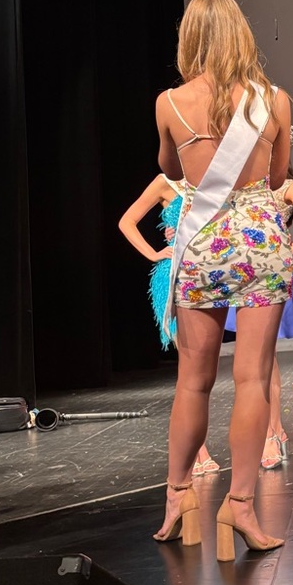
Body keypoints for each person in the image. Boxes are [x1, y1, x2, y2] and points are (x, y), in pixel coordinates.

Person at [152, 0, 293, 559]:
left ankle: (179, 494)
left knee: (193, 379)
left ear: (190, 38)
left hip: (203, 242)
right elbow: (279, 179)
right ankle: (240, 507)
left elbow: (171, 169)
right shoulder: (274, 100)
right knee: (253, 378)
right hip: (258, 238)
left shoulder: (168, 103)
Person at [223, 167, 293, 469]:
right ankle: (273, 432)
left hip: (272, 275)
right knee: (253, 359)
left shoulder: (288, 186)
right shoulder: (244, 185)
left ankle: (272, 432)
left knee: (264, 356)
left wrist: (284, 250)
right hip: (245, 276)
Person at [118, 173, 221, 477]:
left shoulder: (214, 176)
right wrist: (153, 252)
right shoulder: (166, 182)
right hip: (174, 277)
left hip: (207, 275)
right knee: (190, 369)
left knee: (206, 369)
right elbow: (127, 221)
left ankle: (194, 452)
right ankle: (197, 454)